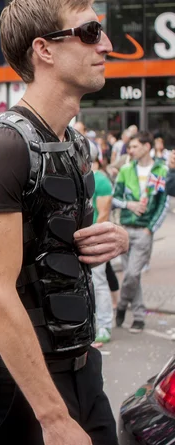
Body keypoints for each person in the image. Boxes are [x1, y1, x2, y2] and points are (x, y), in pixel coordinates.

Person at [0, 1, 129, 444]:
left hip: (82, 369)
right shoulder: (1, 149)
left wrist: (115, 238)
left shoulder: (74, 143)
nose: (106, 44)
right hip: (25, 390)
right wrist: (52, 418)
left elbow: (61, 253)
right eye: (90, 31)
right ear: (44, 50)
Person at [112, 131, 169, 334]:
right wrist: (130, 204)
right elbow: (114, 199)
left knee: (133, 273)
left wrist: (150, 228)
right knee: (131, 276)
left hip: (144, 230)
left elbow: (164, 204)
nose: (130, 150)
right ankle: (138, 316)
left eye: (135, 146)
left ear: (147, 147)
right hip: (126, 228)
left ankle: (121, 306)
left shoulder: (161, 170)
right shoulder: (126, 170)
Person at [89, 144, 114, 346]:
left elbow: (104, 213)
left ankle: (104, 325)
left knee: (99, 282)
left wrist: (92, 238)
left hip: (95, 239)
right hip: (82, 238)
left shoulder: (101, 180)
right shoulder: (81, 177)